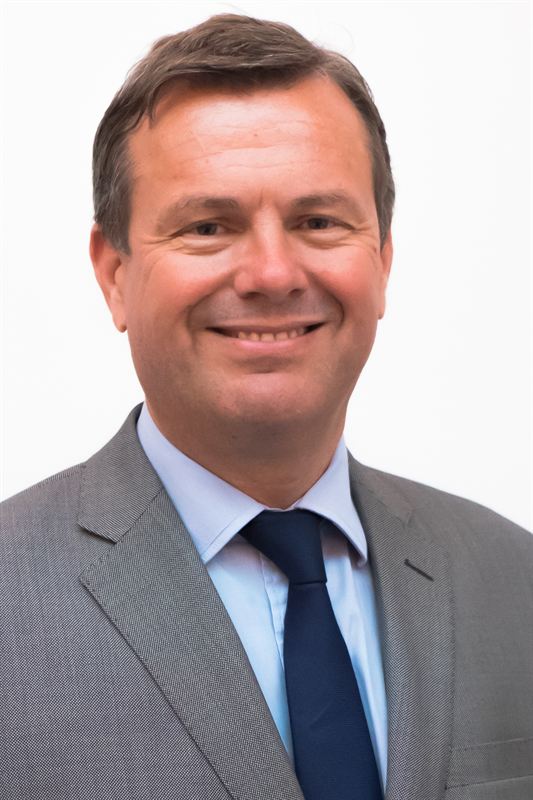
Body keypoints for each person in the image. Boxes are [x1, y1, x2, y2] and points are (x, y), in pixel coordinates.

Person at [1, 13, 531, 800]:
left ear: (381, 260)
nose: (272, 273)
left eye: (318, 222)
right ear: (114, 274)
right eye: (207, 227)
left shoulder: (512, 580)